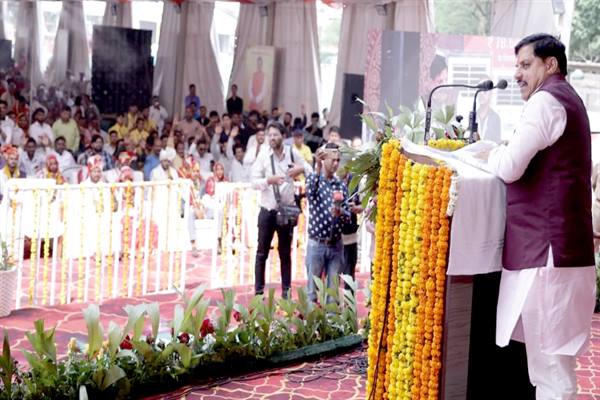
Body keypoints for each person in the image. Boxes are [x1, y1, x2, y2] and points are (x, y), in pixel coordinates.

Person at [477, 34, 595, 399]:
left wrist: (489, 154)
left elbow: (510, 167)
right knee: (550, 366)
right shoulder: (567, 98)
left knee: (552, 371)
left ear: (551, 64)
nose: (517, 74)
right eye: (516, 66)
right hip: (559, 250)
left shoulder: (546, 101)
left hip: (547, 252)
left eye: (526, 65)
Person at [250, 121, 312, 299]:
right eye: (269, 135)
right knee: (261, 253)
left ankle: (286, 292)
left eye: (275, 135)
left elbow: (309, 169)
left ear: (283, 137)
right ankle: (259, 293)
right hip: (267, 210)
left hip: (286, 212)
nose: (272, 138)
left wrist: (300, 168)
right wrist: (268, 181)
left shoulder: (291, 153)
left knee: (285, 254)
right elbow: (253, 181)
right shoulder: (263, 154)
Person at [305, 143, 350, 302]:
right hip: (317, 243)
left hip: (336, 245)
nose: (336, 164)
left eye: (338, 160)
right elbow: (310, 193)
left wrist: (341, 212)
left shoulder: (340, 185)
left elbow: (348, 215)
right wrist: (317, 167)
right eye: (333, 160)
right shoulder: (314, 178)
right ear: (324, 159)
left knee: (333, 294)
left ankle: (331, 318)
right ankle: (311, 318)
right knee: (312, 292)